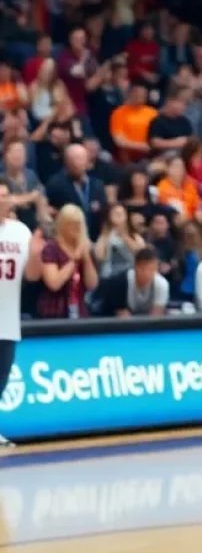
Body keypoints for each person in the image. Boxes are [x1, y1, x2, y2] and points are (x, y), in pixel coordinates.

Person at [0, 184, 44, 446]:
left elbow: (32, 276)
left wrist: (37, 253)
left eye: (6, 196)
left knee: (2, 375)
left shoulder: (20, 231)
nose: (5, 200)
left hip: (7, 316)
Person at [38, 203, 98, 318]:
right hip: (53, 312)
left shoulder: (84, 247)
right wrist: (74, 260)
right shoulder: (51, 248)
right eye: (71, 224)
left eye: (78, 224)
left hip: (80, 312)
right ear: (62, 225)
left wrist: (86, 258)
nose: (75, 228)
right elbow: (54, 283)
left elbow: (92, 284)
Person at [45, 142, 108, 239]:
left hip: (95, 239)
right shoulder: (55, 185)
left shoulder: (97, 185)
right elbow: (49, 211)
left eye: (82, 158)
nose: (79, 163)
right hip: (68, 239)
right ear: (67, 162)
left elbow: (105, 214)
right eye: (75, 159)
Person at [93, 246, 169, 317]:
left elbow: (156, 317)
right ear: (136, 267)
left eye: (153, 269)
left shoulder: (162, 284)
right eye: (144, 268)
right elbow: (123, 319)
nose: (148, 273)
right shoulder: (119, 283)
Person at [93, 203, 146, 279]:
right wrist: (105, 235)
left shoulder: (134, 236)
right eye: (115, 213)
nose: (118, 216)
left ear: (126, 216)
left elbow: (141, 253)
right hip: (110, 275)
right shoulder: (105, 236)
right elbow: (99, 256)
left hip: (130, 275)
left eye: (121, 213)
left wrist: (124, 236)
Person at [109, 82, 158, 162]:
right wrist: (141, 147)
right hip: (127, 156)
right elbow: (119, 141)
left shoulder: (153, 113)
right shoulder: (119, 113)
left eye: (143, 94)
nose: (140, 96)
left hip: (151, 154)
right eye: (137, 93)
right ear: (130, 94)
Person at [156, 154, 202, 223]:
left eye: (181, 167)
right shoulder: (162, 187)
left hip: (192, 222)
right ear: (168, 169)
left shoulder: (189, 185)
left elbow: (197, 205)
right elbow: (175, 212)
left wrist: (199, 211)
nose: (179, 169)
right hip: (175, 223)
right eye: (176, 166)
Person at [147, 86, 194, 156]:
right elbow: (155, 143)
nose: (182, 106)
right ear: (169, 102)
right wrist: (176, 143)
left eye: (184, 104)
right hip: (162, 156)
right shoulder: (158, 121)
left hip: (183, 155)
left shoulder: (185, 122)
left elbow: (190, 140)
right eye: (179, 102)